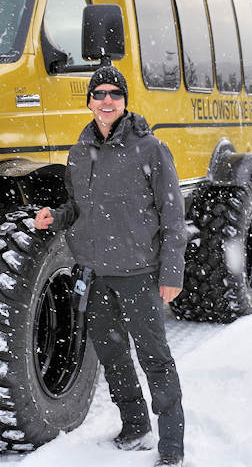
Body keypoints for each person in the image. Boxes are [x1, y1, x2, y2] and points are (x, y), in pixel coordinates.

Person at [34, 65, 187, 467]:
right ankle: (134, 427)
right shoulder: (80, 150)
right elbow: (81, 207)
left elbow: (173, 216)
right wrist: (58, 216)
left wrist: (171, 274)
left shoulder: (150, 148)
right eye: (99, 94)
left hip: (138, 273)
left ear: (124, 102)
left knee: (154, 357)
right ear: (88, 101)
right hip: (94, 273)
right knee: (112, 355)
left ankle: (172, 445)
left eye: (114, 95)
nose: (106, 101)